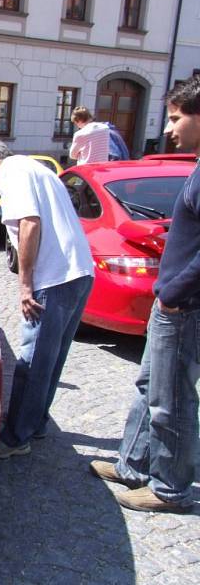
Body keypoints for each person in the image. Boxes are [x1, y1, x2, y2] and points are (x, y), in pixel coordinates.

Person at [89, 76, 200, 514]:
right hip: (171, 301)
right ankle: (133, 465)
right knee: (148, 385)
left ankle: (170, 488)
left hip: (184, 306)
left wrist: (175, 292)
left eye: (176, 118)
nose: (169, 128)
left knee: (170, 398)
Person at [0, 140, 94, 459]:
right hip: (78, 271)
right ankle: (35, 422)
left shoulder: (12, 172)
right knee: (51, 357)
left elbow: (29, 223)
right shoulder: (38, 168)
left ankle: (15, 437)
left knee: (33, 359)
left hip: (53, 276)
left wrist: (25, 286)